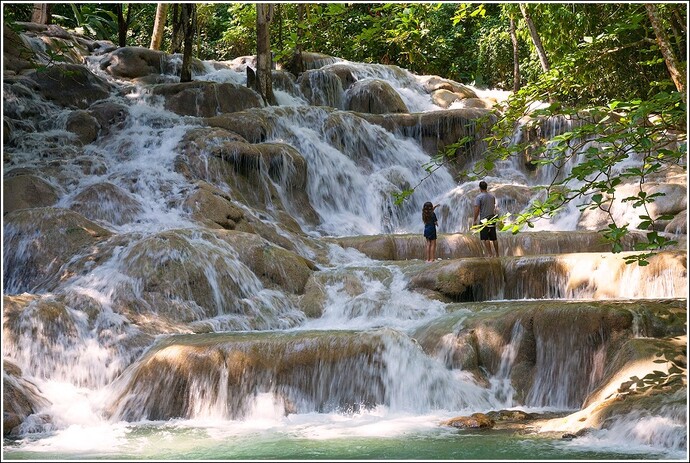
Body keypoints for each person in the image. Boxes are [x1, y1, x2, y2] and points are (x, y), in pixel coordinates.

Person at [472, 180, 500, 257]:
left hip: (484, 219)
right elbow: (494, 207)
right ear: (486, 187)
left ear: (480, 188)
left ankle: (490, 254)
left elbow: (477, 209)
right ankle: (497, 254)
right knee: (494, 238)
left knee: (485, 237)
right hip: (492, 218)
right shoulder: (492, 197)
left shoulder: (479, 197)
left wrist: (474, 220)